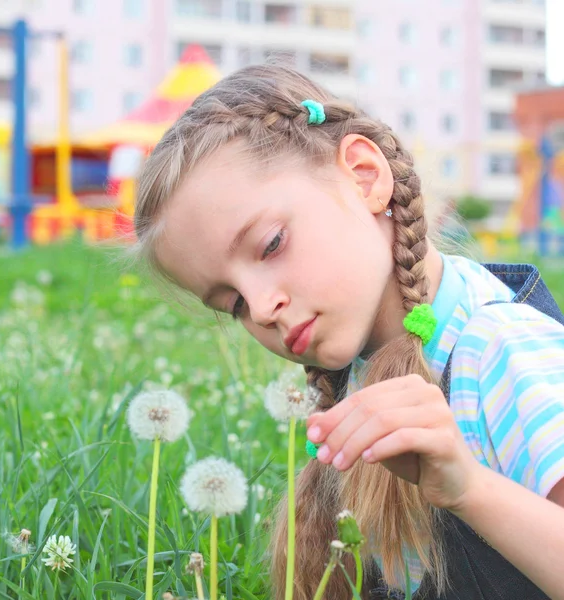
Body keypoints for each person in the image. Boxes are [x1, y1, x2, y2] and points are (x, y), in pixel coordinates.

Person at [132, 64, 564, 600]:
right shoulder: (358, 375)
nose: (264, 308)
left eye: (270, 245)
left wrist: (469, 490)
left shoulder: (501, 349)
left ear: (364, 176)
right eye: (234, 302)